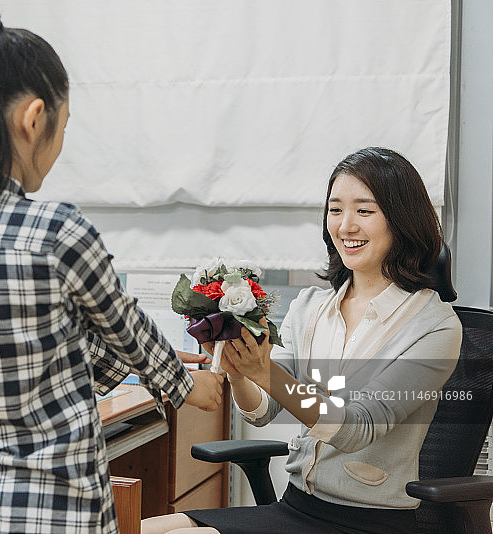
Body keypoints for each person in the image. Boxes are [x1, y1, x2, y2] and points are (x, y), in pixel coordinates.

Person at [0, 11, 224, 534]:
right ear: (34, 119)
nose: (61, 142)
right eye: (63, 127)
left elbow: (35, 350)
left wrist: (140, 368)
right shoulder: (56, 232)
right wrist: (184, 385)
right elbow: (126, 328)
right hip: (44, 510)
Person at [141, 147, 462, 534]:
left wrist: (266, 372)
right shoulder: (311, 306)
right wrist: (240, 371)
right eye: (335, 209)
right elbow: (262, 411)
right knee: (137, 527)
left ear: (401, 219)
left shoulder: (434, 326)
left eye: (364, 210)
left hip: (369, 521)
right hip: (296, 506)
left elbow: (356, 428)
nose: (346, 226)